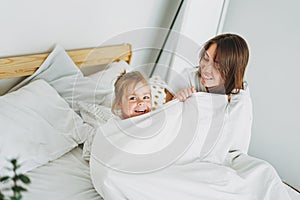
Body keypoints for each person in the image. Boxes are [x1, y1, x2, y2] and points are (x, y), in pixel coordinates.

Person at [171, 33, 249, 102]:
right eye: (205, 58)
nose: (205, 70)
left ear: (232, 72)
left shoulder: (240, 96)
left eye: (217, 66)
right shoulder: (187, 78)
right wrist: (176, 101)